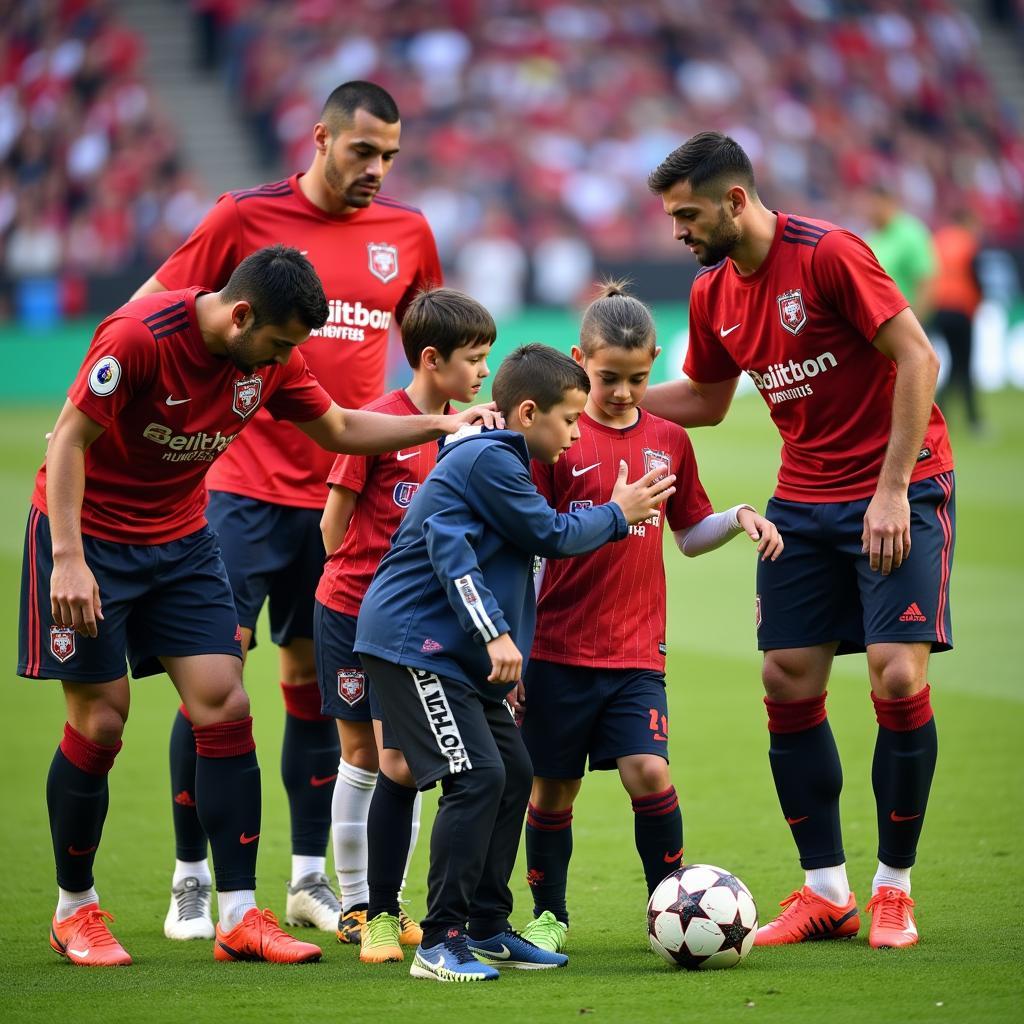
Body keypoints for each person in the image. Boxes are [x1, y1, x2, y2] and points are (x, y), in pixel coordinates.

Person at [17, 245, 495, 968]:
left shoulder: (271, 356)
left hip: (179, 540)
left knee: (225, 704)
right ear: (241, 315)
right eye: (277, 344)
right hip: (90, 542)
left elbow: (337, 429)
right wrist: (68, 559)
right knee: (102, 718)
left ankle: (239, 915)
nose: (283, 360)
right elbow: (70, 441)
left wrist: (440, 426)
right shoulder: (139, 337)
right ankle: (74, 908)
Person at [131, 81, 442, 940]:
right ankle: (192, 878)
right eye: (362, 152)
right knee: (215, 689)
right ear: (320, 139)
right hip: (237, 490)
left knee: (318, 689)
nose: (376, 170)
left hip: (349, 499)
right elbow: (151, 305)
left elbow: (430, 351)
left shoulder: (408, 235)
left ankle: (311, 877)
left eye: (390, 157)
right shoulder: (242, 217)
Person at [644, 132, 955, 950]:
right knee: (786, 678)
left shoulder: (828, 255)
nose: (678, 230)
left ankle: (893, 890)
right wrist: (605, 396)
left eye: (687, 214)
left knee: (894, 675)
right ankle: (825, 892)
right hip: (804, 497)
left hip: (900, 487)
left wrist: (891, 491)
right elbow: (709, 400)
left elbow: (917, 358)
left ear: (735, 201)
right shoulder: (713, 292)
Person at [353, 344, 677, 981]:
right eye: (569, 419)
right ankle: (438, 940)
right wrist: (618, 515)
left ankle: (487, 927)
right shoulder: (490, 460)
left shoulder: (497, 456)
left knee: (515, 769)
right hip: (415, 645)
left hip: (452, 653)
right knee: (474, 777)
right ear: (528, 412)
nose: (579, 433)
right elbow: (536, 537)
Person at [518, 282, 782, 953]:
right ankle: (549, 915)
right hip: (556, 648)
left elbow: (689, 530)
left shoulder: (669, 438)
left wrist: (737, 517)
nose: (625, 393)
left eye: (639, 378)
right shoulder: (559, 440)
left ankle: (672, 908)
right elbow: (531, 541)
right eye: (608, 378)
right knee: (553, 790)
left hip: (637, 651)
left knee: (650, 774)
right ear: (580, 360)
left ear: (657, 361)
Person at [314, 288, 496, 961]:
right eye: (474, 360)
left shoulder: (465, 429)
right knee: (367, 757)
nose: (483, 372)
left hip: (414, 626)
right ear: (430, 359)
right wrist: (368, 588)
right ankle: (360, 905)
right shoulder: (379, 423)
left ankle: (385, 906)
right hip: (351, 611)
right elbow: (332, 527)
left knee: (407, 760)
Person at [932, 209, 984, 432]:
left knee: (953, 363)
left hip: (939, 307)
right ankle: (974, 420)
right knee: (964, 365)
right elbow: (976, 277)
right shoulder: (968, 243)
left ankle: (939, 410)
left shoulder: (939, 240)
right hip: (961, 308)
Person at [863, 183, 937, 322]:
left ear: (889, 202)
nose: (871, 210)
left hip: (904, 323)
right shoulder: (870, 237)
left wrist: (916, 325)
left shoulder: (911, 233)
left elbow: (926, 282)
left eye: (875, 204)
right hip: (878, 324)